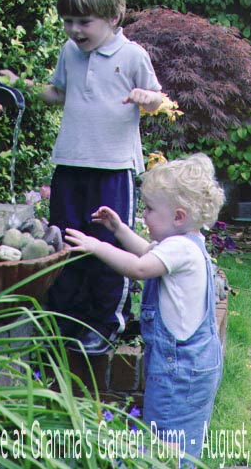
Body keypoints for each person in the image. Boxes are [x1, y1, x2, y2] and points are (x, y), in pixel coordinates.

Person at [25, 0, 162, 354]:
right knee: (66, 242)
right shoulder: (70, 51)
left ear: (113, 18)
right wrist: (25, 87)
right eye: (68, 21)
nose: (74, 30)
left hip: (113, 169)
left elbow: (156, 98)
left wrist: (145, 99)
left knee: (106, 245)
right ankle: (65, 321)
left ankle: (104, 325)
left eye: (84, 21)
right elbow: (60, 92)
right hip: (70, 164)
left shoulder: (133, 55)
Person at [65, 153, 225, 468]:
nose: (145, 215)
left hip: (179, 371)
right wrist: (118, 228)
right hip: (190, 366)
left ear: (178, 216)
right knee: (176, 440)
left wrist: (99, 247)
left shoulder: (180, 249)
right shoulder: (185, 243)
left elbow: (139, 267)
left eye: (149, 210)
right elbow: (146, 251)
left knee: (166, 441)